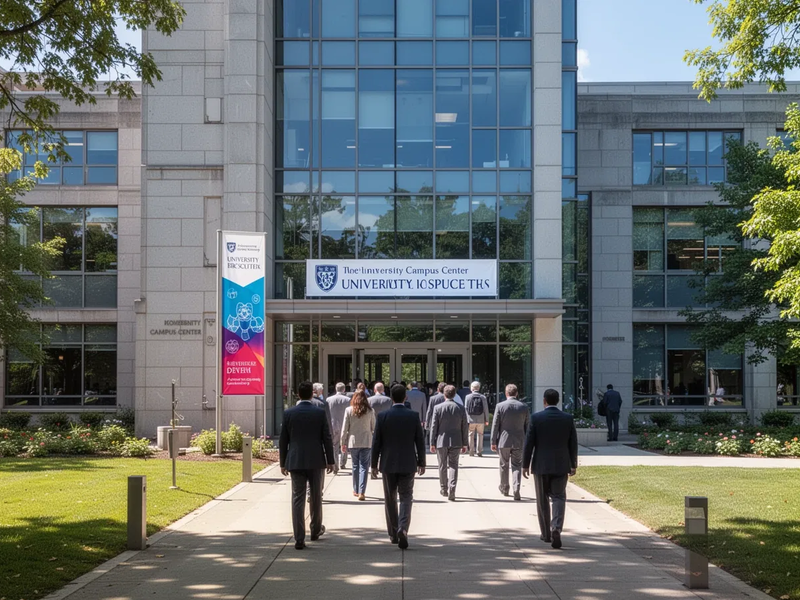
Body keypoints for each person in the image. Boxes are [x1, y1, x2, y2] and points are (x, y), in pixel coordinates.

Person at [279, 381, 336, 550]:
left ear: (298, 394)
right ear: (312, 394)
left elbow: (283, 440)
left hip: (295, 460)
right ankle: (315, 529)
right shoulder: (319, 413)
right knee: (316, 495)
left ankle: (299, 537)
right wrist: (330, 460)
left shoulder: (289, 413)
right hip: (316, 459)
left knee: (297, 498)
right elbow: (326, 437)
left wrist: (282, 463)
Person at [371, 384, 426, 549]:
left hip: (388, 463)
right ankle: (403, 527)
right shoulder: (413, 416)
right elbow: (420, 441)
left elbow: (376, 443)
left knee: (390, 498)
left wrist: (374, 464)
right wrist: (422, 462)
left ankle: (394, 533)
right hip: (408, 462)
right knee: (406, 497)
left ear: (391, 398)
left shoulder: (383, 416)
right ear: (405, 398)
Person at [522, 389, 578, 550]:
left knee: (542, 500)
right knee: (559, 497)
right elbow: (573, 442)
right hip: (561, 464)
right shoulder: (567, 418)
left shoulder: (536, 418)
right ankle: (556, 528)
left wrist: (525, 464)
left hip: (541, 465)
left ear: (544, 400)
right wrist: (573, 464)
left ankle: (546, 534)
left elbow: (529, 443)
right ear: (558, 401)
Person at [491, 384, 530, 501]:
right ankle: (516, 488)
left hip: (504, 440)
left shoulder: (500, 406)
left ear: (506, 393)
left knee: (504, 465)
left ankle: (504, 488)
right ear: (516, 393)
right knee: (517, 465)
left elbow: (495, 425)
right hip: (519, 440)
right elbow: (528, 426)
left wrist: (493, 441)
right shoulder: (524, 407)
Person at [429, 385, 469, 501]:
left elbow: (434, 427)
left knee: (442, 465)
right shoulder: (461, 408)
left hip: (441, 441)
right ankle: (452, 489)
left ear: (444, 395)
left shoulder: (437, 408)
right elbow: (464, 427)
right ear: (454, 394)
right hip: (456, 440)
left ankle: (444, 488)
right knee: (453, 465)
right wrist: (465, 443)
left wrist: (432, 442)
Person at [341, 389, 376, 500]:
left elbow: (344, 428)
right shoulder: (370, 411)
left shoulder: (349, 410)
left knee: (355, 466)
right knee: (364, 467)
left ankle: (355, 489)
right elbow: (374, 427)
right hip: (366, 441)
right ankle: (362, 491)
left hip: (353, 441)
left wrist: (343, 442)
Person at [309, 383, 333, 502]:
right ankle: (318, 491)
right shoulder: (323, 404)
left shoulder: (299, 404)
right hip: (319, 440)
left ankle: (309, 492)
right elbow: (328, 422)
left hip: (306, 439)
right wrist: (330, 437)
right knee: (319, 469)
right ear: (318, 392)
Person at [327, 382, 351, 471]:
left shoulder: (329, 400)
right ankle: (343, 463)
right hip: (344, 424)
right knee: (344, 444)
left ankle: (335, 464)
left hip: (333, 425)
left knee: (334, 445)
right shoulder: (348, 400)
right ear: (344, 389)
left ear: (335, 389)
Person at [465, 381, 490, 457]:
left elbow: (465, 408)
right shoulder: (483, 397)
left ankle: (471, 451)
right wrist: (487, 420)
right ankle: (479, 451)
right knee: (480, 435)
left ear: (471, 388)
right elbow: (486, 409)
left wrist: (466, 419)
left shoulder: (467, 397)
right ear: (478, 388)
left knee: (470, 434)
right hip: (481, 419)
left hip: (471, 419)